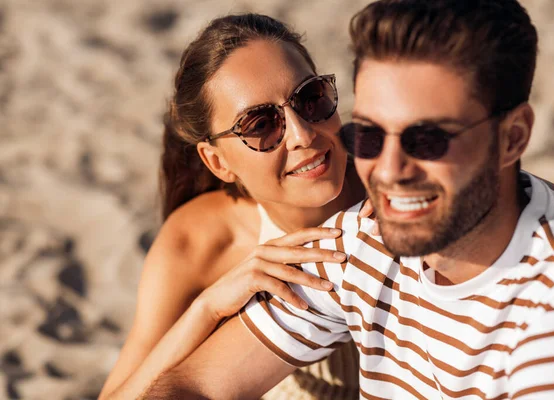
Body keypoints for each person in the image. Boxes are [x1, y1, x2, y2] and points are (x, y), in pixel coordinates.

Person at [140, 1, 554, 399]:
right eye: (372, 133)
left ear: (512, 139)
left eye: (428, 138)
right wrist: (207, 308)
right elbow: (192, 386)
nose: (389, 170)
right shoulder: (359, 241)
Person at [98, 14, 365, 400]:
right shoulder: (202, 241)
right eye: (259, 125)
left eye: (310, 98)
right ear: (217, 162)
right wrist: (206, 310)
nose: (303, 134)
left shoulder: (395, 180)